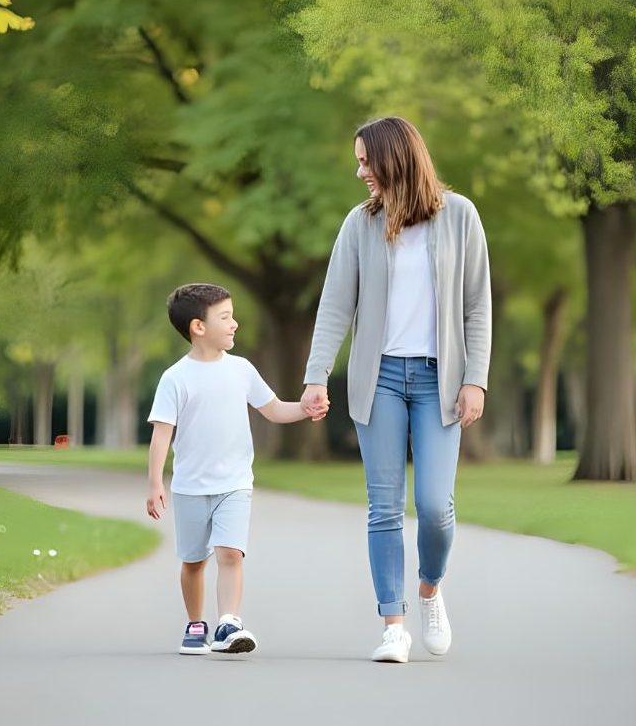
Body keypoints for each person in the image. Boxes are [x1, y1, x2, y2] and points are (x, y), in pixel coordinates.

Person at [301, 117, 492, 663]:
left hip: (441, 380)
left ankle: (430, 587)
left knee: (434, 506)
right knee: (384, 508)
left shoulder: (460, 217)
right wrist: (316, 376)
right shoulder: (359, 224)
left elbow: (477, 304)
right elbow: (336, 304)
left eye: (367, 161)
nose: (359, 171)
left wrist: (475, 377)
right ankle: (393, 624)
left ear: (396, 159)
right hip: (379, 378)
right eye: (358, 161)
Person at [147, 283, 326, 656]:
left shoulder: (242, 370)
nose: (235, 325)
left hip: (235, 484)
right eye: (225, 318)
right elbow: (162, 435)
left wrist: (304, 409)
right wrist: (155, 484)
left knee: (230, 554)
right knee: (194, 561)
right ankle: (196, 624)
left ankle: (229, 622)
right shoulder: (175, 378)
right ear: (198, 327)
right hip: (191, 487)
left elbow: (273, 409)